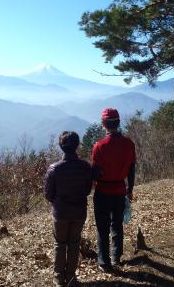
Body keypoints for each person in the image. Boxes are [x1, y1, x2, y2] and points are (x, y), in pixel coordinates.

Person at [44, 131, 92, 287]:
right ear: (77, 146)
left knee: (60, 244)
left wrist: (58, 202)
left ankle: (58, 279)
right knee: (74, 244)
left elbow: (48, 194)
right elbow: (87, 190)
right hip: (79, 212)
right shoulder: (85, 167)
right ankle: (71, 278)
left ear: (61, 147)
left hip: (60, 213)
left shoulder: (54, 169)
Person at [92, 108, 136, 272]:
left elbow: (95, 173)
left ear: (103, 124)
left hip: (102, 191)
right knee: (117, 224)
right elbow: (131, 169)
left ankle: (104, 262)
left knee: (102, 228)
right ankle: (116, 256)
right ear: (118, 123)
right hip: (119, 190)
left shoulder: (99, 146)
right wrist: (129, 189)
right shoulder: (129, 144)